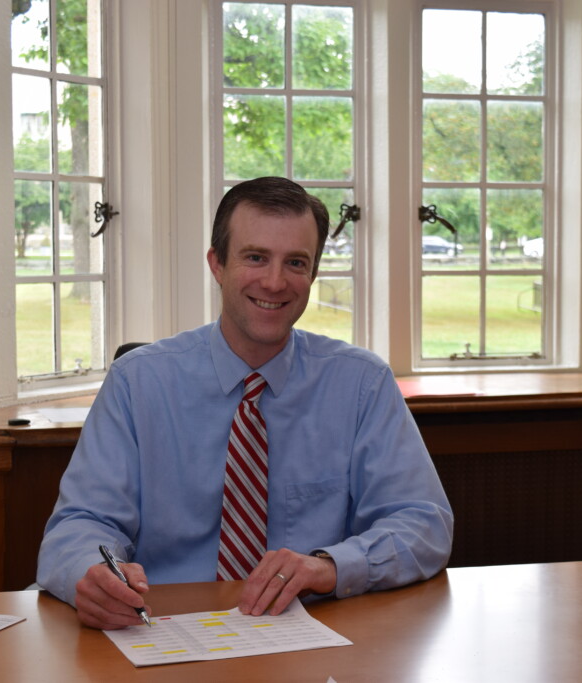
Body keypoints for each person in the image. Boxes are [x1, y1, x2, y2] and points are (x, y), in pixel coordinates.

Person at [36, 176, 453, 629]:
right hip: (163, 628)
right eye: (255, 257)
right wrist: (93, 575)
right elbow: (78, 526)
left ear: (313, 274)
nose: (275, 282)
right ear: (217, 264)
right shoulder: (137, 383)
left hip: (313, 632)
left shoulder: (362, 384)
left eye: (296, 262)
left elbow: (423, 523)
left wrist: (331, 566)